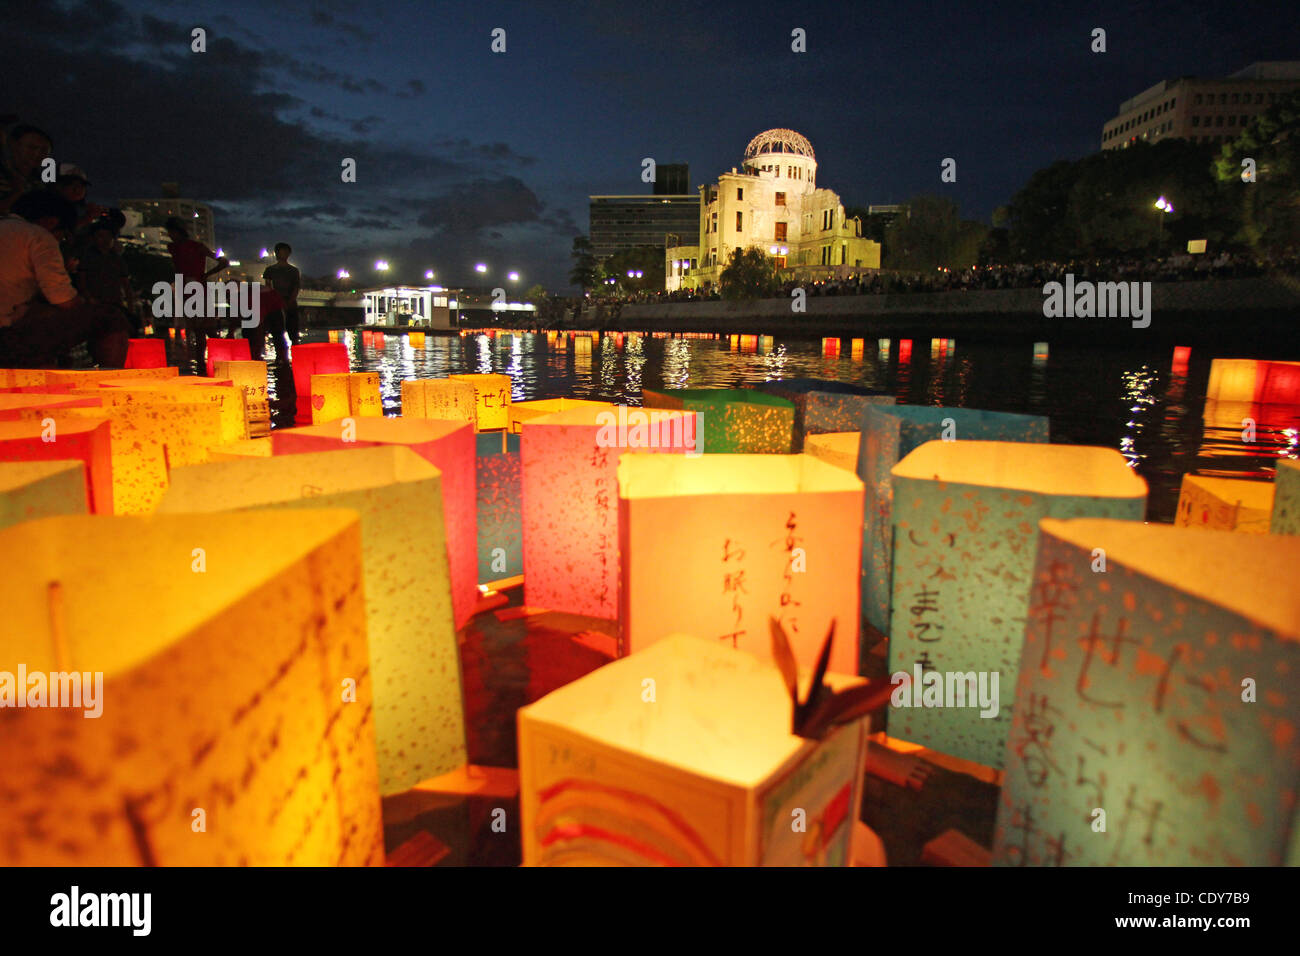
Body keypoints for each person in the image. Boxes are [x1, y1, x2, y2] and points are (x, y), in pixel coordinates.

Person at [0, 192, 128, 368]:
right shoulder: (37, 236)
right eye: (62, 236)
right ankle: (112, 380)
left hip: (12, 321)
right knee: (110, 317)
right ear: (51, 223)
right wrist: (84, 303)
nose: (60, 241)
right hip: (8, 333)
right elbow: (62, 298)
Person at [165, 215, 227, 371]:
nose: (170, 235)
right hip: (190, 289)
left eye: (172, 232)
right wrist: (205, 275)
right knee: (199, 329)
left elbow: (222, 262)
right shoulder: (181, 247)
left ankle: (204, 364)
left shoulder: (179, 248)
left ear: (179, 232)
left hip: (192, 289)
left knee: (201, 329)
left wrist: (205, 275)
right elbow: (223, 262)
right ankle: (211, 362)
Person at [77, 220, 140, 334]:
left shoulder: (117, 259)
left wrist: (130, 308)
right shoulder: (87, 257)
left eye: (108, 236)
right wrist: (88, 297)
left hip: (114, 304)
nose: (105, 240)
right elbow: (81, 280)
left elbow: (126, 285)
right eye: (101, 236)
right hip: (94, 304)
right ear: (93, 238)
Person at [0, 124, 53, 215]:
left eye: (44, 150)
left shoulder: (41, 186)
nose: (37, 154)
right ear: (14, 145)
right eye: (32, 147)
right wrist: (17, 192)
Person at [262, 242, 300, 344]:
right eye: (280, 252)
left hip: (290, 303)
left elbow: (296, 288)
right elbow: (268, 287)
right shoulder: (270, 270)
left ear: (288, 254)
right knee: (276, 332)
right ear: (276, 254)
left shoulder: (294, 271)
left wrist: (289, 301)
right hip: (275, 304)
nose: (282, 254)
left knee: (293, 331)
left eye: (285, 252)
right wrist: (276, 301)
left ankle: (295, 353)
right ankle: (281, 356)